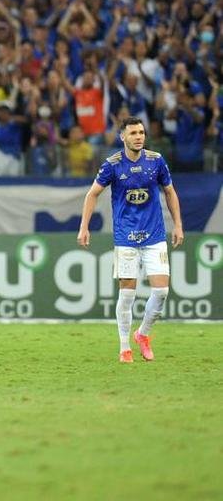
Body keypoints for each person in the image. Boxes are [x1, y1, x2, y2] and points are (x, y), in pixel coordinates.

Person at [77, 117, 185, 363]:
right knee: (127, 295)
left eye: (142, 132)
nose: (139, 137)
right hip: (126, 237)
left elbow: (169, 191)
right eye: (134, 133)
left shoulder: (156, 161)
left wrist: (178, 225)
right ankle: (124, 347)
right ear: (122, 137)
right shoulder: (112, 164)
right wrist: (84, 227)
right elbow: (92, 194)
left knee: (161, 292)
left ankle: (142, 334)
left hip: (155, 235)